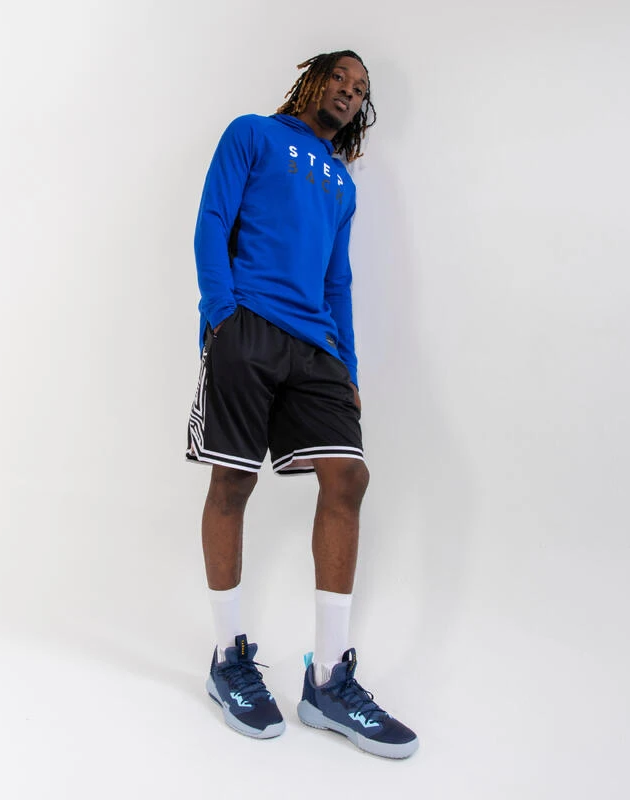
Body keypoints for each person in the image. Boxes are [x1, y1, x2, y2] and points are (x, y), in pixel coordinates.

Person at [185, 50, 418, 759]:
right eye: (340, 79)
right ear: (312, 79)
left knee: (348, 477)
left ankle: (328, 682)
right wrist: (222, 317)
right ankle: (228, 659)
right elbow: (211, 221)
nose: (349, 92)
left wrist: (348, 365)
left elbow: (337, 279)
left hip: (317, 347)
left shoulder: (342, 183)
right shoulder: (252, 133)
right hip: (248, 325)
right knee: (233, 481)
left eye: (360, 89)